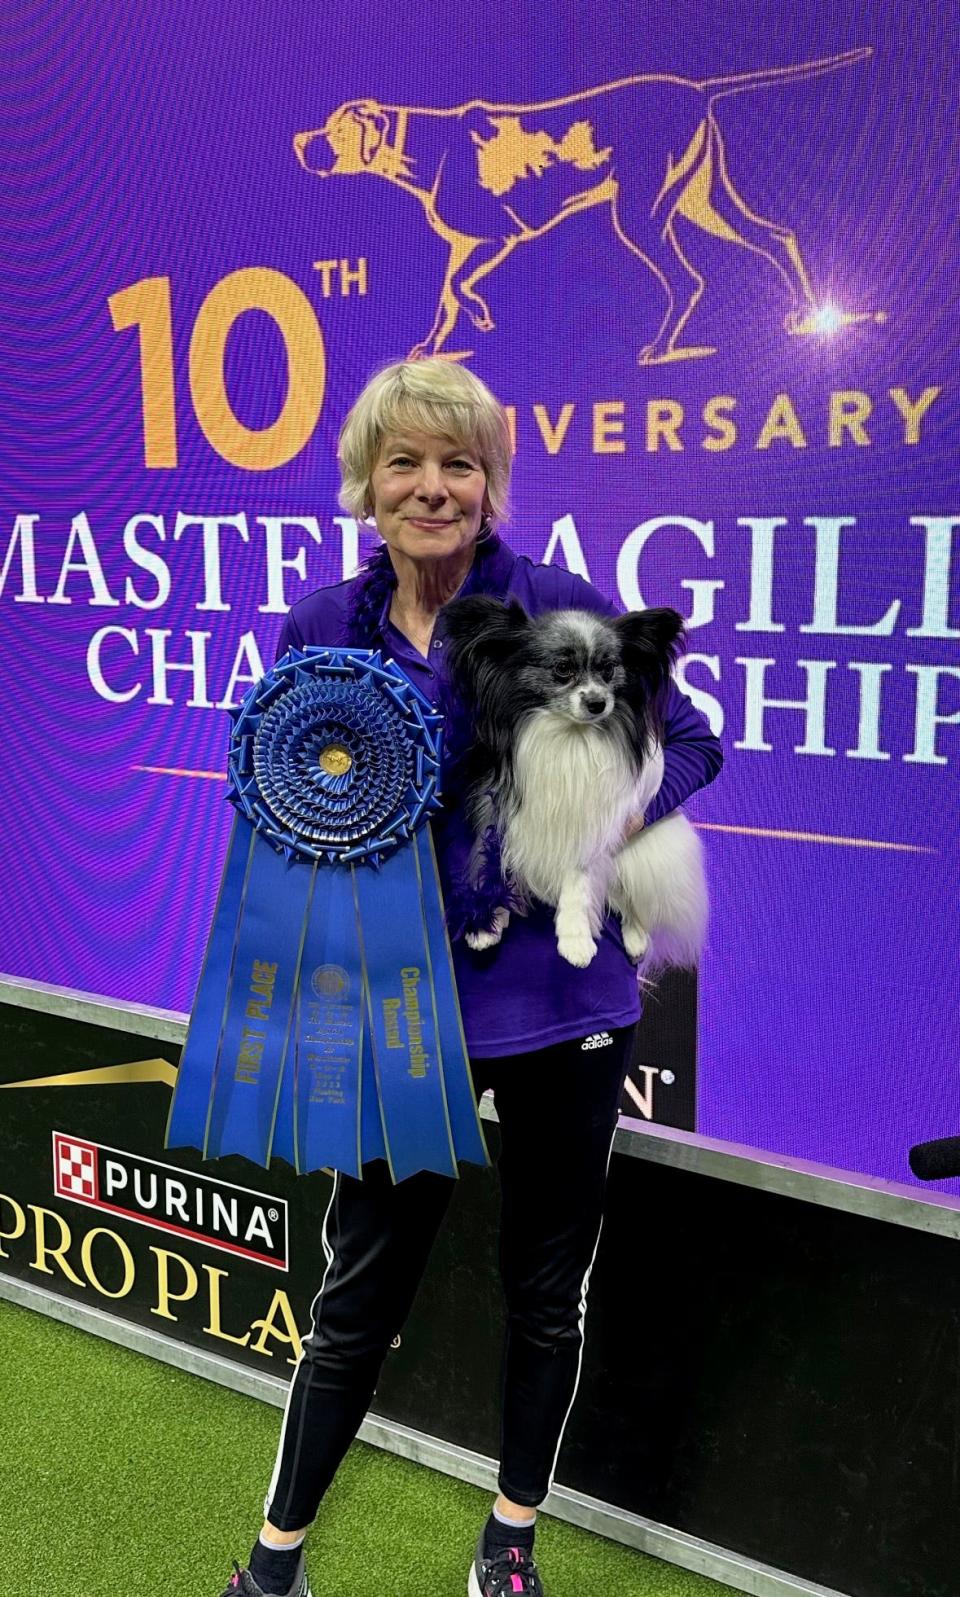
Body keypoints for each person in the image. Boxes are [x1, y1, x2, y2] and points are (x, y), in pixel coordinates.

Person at [219, 358, 723, 1597]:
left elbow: (696, 739)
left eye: (460, 463)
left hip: (560, 1010)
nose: (432, 487)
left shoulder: (553, 601)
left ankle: (509, 1539)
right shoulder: (320, 627)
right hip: (401, 1009)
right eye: (406, 462)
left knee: (546, 1293)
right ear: (367, 483)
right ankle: (273, 1562)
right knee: (358, 1292)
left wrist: (606, 819)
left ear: (492, 483)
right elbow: (286, 794)